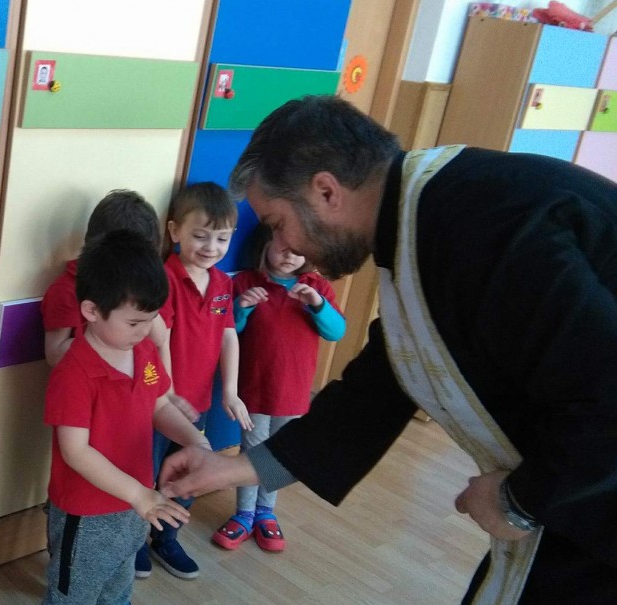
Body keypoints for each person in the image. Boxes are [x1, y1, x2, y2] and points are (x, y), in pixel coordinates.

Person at [159, 95, 617, 604]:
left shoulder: (482, 221)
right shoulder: (424, 219)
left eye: (277, 222)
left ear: (326, 191)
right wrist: (233, 468)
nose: (286, 245)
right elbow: (379, 385)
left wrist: (518, 501)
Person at [43, 230, 210, 605]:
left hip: (136, 504)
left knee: (118, 588)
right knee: (74, 596)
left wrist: (195, 440)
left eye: (151, 319)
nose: (145, 330)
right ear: (91, 311)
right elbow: (75, 451)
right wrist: (139, 494)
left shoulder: (144, 353)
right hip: (87, 514)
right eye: (134, 322)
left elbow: (159, 406)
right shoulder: (74, 373)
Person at [139, 182, 251, 580]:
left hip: (198, 404)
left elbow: (228, 335)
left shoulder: (222, 284)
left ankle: (166, 538)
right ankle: (136, 541)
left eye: (222, 238)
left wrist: (230, 391)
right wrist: (168, 392)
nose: (211, 247)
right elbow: (160, 340)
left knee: (189, 474)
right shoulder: (164, 279)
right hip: (159, 404)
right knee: (148, 471)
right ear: (175, 231)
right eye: (201, 236)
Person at [208, 225, 345, 552]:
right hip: (254, 391)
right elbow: (228, 333)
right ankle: (244, 514)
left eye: (299, 250)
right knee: (253, 452)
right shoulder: (245, 282)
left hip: (294, 394)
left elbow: (336, 332)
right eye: (283, 247)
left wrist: (317, 304)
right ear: (265, 244)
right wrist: (242, 308)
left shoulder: (317, 286)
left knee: (281, 454)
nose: (290, 256)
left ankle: (265, 512)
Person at [42, 190, 161, 367]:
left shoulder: (138, 288)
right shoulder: (67, 290)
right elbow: (55, 355)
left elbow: (159, 339)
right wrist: (105, 336)